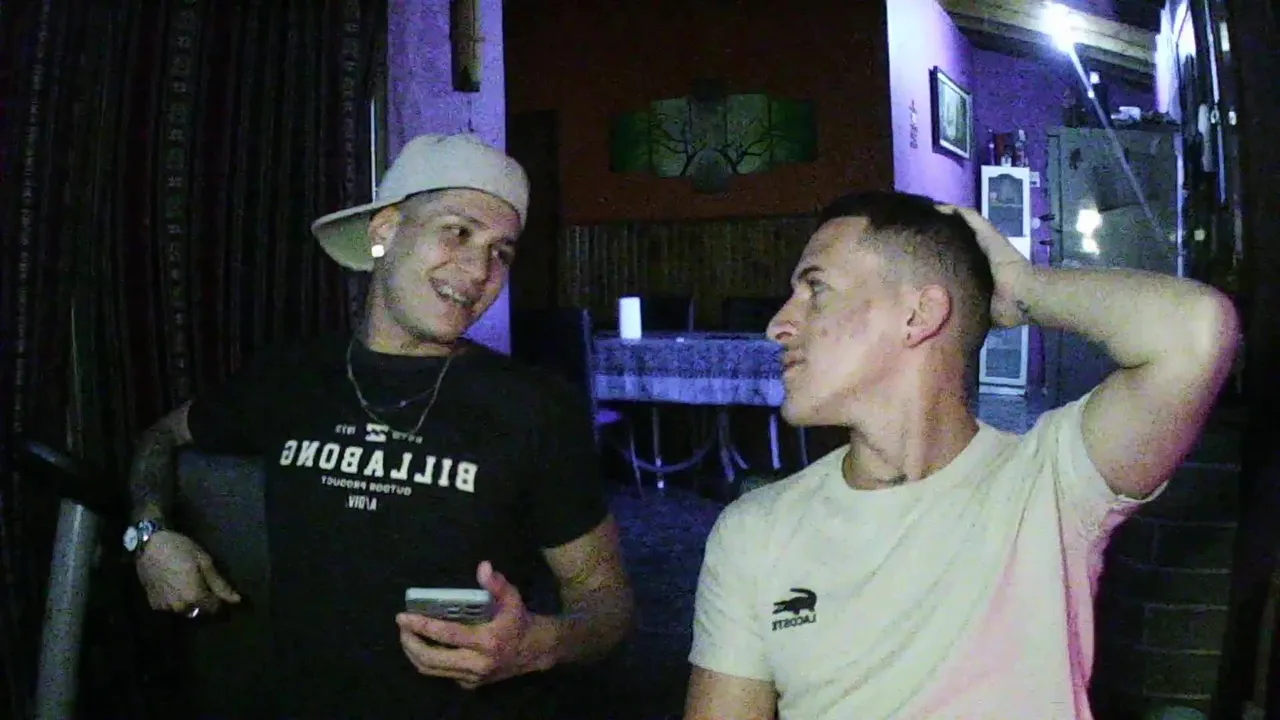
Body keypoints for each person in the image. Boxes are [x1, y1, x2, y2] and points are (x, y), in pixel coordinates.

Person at [125, 133, 633, 719]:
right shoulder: (290, 377)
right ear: (385, 230)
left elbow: (607, 601)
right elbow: (161, 436)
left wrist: (536, 646)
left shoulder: (535, 406)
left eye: (502, 252)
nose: (478, 271)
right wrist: (149, 536)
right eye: (458, 231)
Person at [684, 191, 1239, 720]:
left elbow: (1197, 332)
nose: (778, 325)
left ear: (918, 315)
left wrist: (1024, 287)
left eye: (816, 288)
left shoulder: (1048, 485)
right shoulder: (755, 531)